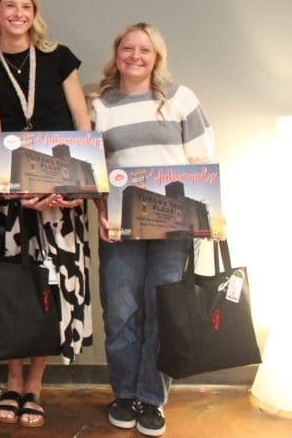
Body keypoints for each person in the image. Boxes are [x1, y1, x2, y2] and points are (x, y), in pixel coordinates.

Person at [0, 0, 93, 429]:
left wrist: (75, 186)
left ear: (34, 13)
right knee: (14, 289)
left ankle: (35, 385)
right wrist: (23, 190)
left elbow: (82, 122)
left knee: (51, 290)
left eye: (25, 6)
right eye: (9, 6)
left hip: (64, 196)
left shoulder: (59, 58)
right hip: (15, 199)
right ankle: (12, 380)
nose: (17, 13)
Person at [90, 22, 215, 437]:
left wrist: (210, 215)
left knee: (164, 311)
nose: (135, 56)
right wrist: (101, 211)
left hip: (175, 226)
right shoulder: (100, 106)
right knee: (121, 313)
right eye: (128, 48)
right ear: (117, 54)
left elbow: (203, 160)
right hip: (121, 226)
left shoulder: (180, 99)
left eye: (144, 50)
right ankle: (124, 394)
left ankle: (152, 398)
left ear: (156, 56)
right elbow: (94, 171)